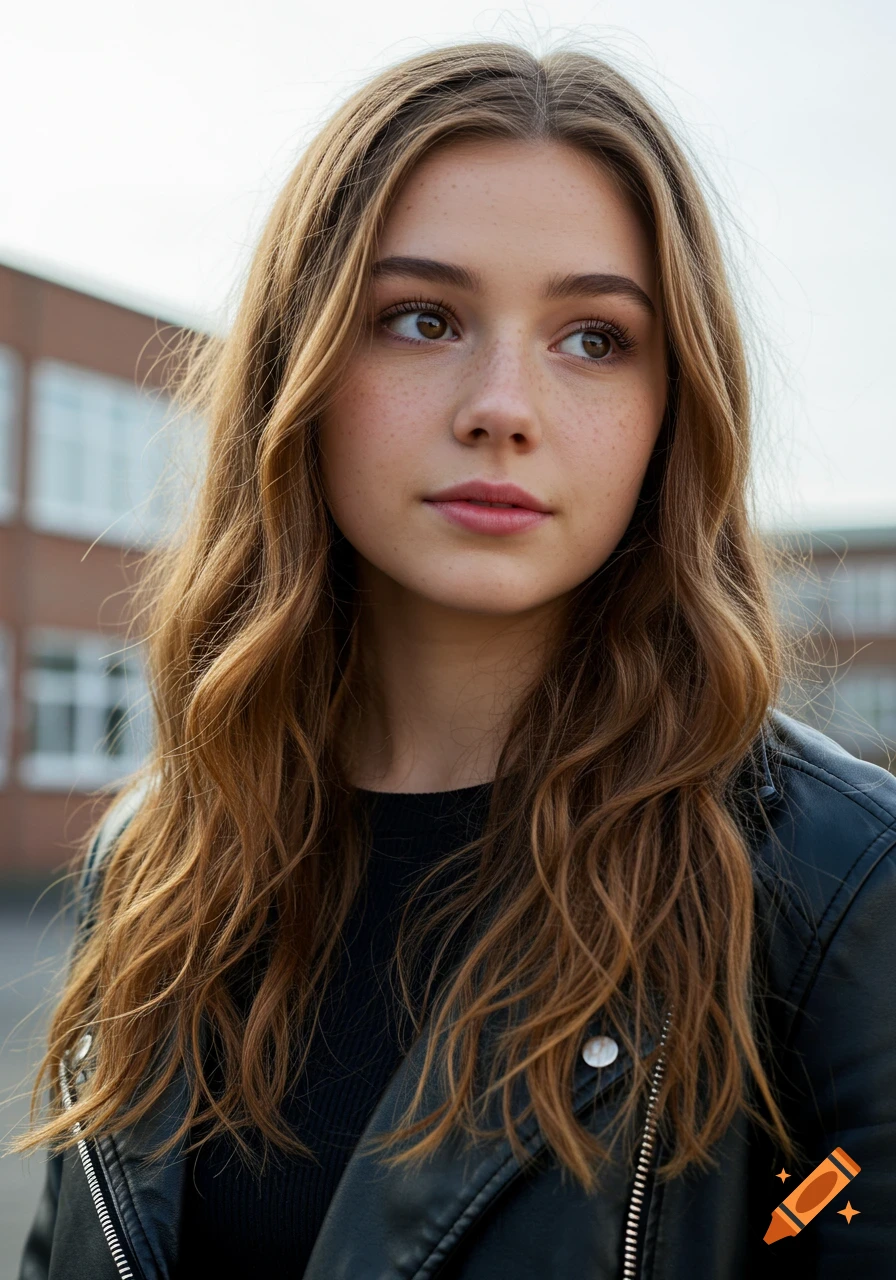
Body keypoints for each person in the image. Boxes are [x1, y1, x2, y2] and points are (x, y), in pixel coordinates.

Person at [16, 40, 896, 1280]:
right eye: (421, 318)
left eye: (593, 338)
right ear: (298, 368)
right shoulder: (158, 854)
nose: (501, 405)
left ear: (673, 405)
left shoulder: (836, 886)